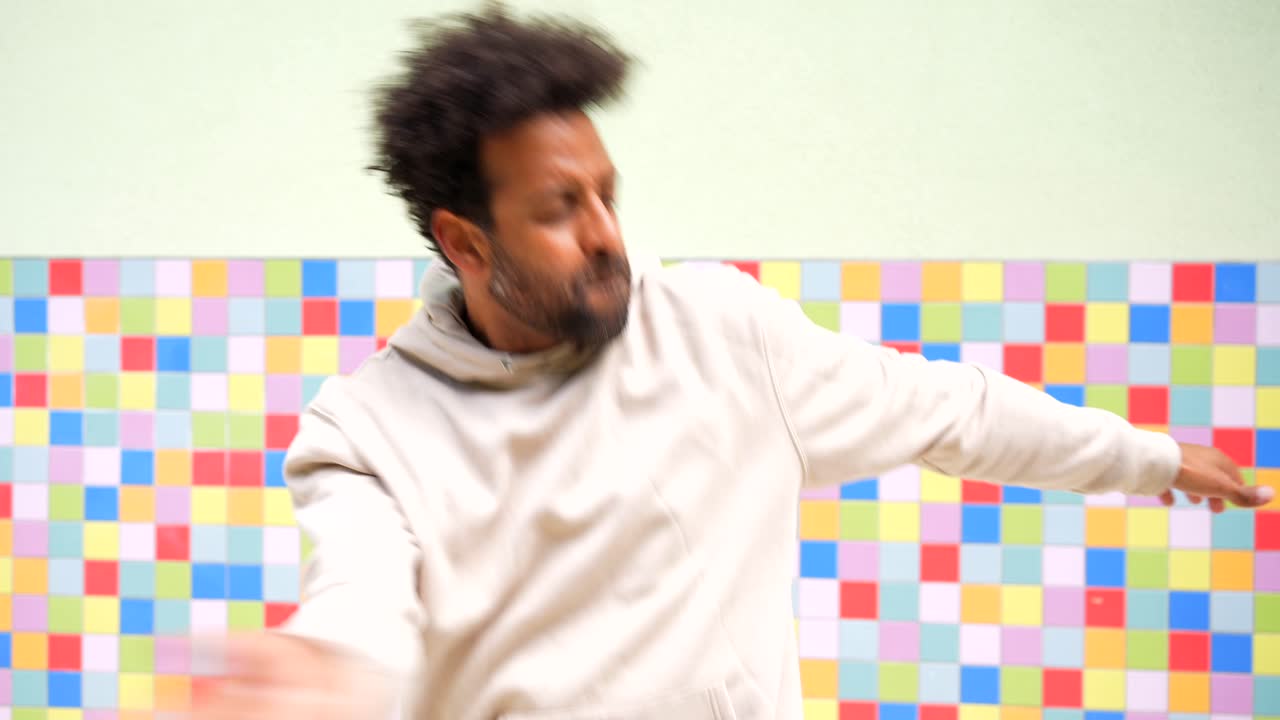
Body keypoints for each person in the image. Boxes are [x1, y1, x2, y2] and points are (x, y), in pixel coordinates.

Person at [192, 6, 1271, 720]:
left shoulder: (720, 332)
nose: (607, 231)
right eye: (559, 210)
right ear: (465, 242)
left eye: (605, 192)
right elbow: (366, 601)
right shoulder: (365, 431)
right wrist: (320, 670)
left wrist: (1149, 457)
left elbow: (955, 411)